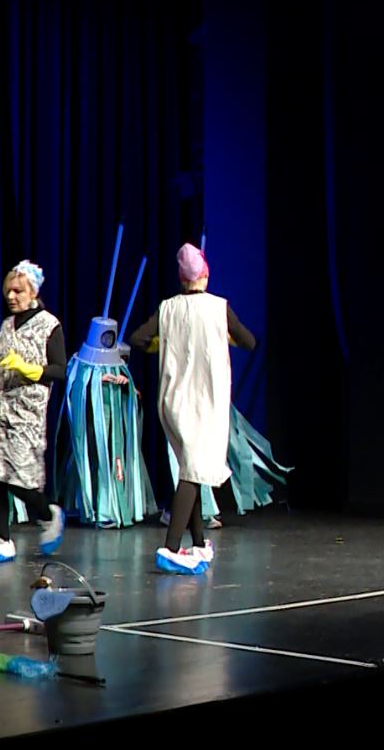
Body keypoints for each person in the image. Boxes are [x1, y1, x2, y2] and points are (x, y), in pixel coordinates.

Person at [128, 243, 255, 575]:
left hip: (173, 401)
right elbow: (249, 341)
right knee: (192, 472)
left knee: (191, 468)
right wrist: (226, 337)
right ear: (206, 275)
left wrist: (162, 344)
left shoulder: (167, 308)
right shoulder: (218, 308)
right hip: (203, 402)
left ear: (181, 278)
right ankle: (171, 547)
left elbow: (137, 338)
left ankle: (198, 543)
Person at [0, 260, 67, 563]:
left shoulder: (49, 324)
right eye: (8, 290)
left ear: (33, 291)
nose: (11, 296)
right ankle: (2, 539)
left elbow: (59, 370)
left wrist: (29, 368)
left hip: (26, 413)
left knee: (17, 478)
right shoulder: (6, 325)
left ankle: (48, 513)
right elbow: (1, 369)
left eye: (18, 291)